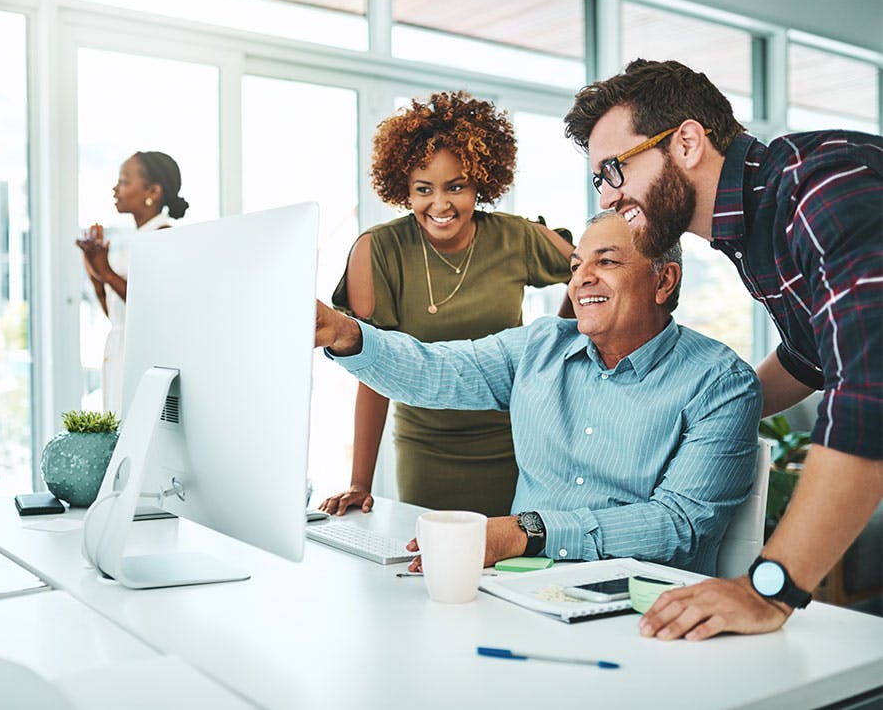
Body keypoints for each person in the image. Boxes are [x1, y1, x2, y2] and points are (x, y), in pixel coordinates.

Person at [563, 58, 882, 640]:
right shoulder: (754, 229)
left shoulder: (819, 190)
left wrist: (770, 590)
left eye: (615, 169)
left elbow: (870, 396)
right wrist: (708, 409)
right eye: (598, 180)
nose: (608, 199)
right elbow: (810, 358)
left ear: (686, 141)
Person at [316, 211, 762, 575]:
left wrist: (526, 532)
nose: (581, 279)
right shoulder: (538, 347)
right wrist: (344, 333)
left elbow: (679, 524)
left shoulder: (721, 382)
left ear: (664, 281)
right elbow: (434, 371)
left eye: (606, 262)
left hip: (641, 607)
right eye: (576, 266)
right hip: (522, 590)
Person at [318, 91, 574, 518]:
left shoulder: (516, 237)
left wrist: (559, 339)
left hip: (516, 446)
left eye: (456, 187)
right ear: (403, 188)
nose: (440, 205)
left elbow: (593, 273)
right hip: (426, 448)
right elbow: (370, 369)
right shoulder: (378, 249)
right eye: (424, 189)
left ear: (481, 181)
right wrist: (360, 482)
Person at [76, 151, 189, 414]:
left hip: (144, 357)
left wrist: (106, 272)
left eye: (125, 181)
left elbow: (150, 305)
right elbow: (117, 314)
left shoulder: (163, 236)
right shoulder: (137, 240)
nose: (116, 188)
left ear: (153, 190)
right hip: (120, 351)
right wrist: (95, 271)